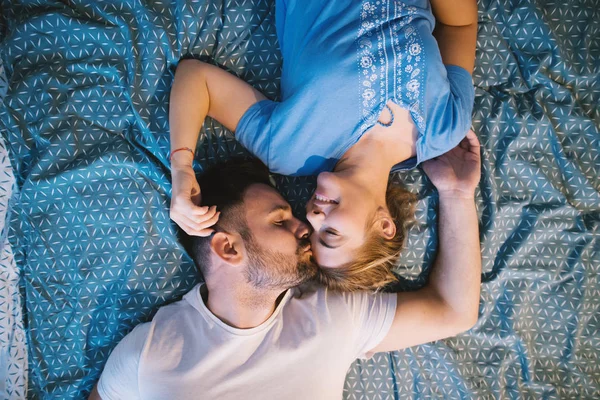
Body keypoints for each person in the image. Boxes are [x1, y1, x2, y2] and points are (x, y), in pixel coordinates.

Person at [89, 131, 482, 399]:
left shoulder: (332, 313)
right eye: (280, 221)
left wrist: (457, 193)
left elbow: (453, 311)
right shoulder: (151, 351)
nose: (304, 227)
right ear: (228, 249)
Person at [169, 0, 478, 290]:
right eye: (330, 234)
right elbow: (458, 27)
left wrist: (182, 169)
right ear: (385, 225)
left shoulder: (289, 151)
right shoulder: (446, 128)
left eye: (311, 229)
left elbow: (197, 79)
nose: (313, 216)